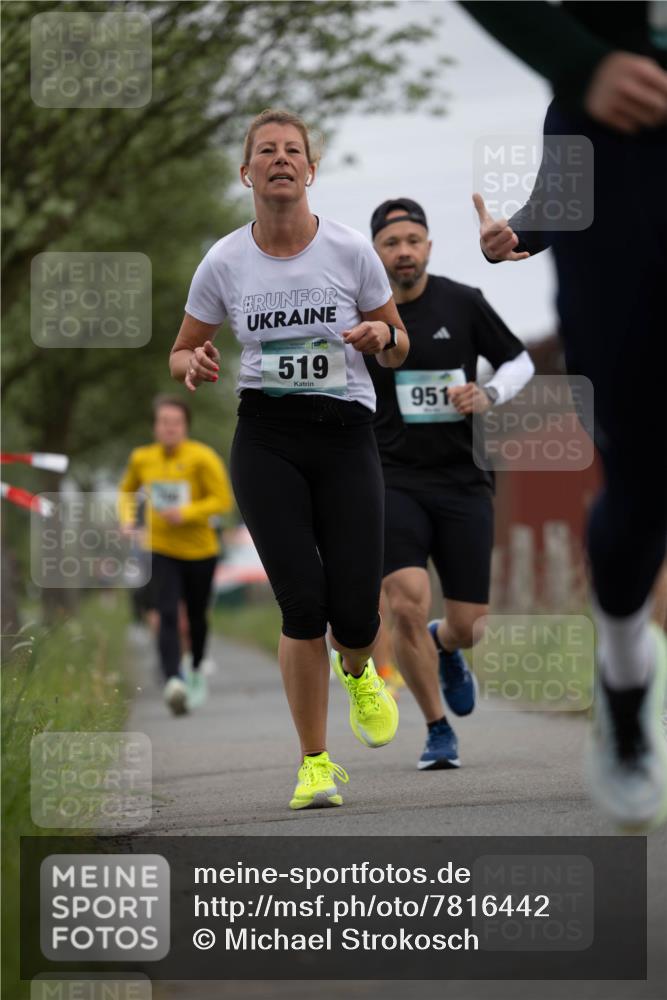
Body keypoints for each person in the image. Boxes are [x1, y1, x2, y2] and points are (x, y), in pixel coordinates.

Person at [463, 1, 667, 829]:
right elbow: (561, 191)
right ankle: (624, 682)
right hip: (618, 137)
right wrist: (579, 63)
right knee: (644, 476)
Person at [169, 108, 409, 810]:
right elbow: (183, 344)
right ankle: (313, 762)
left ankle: (360, 669)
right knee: (301, 603)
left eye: (291, 150)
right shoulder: (223, 261)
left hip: (344, 435)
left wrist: (376, 334)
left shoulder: (346, 251)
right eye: (265, 151)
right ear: (245, 172)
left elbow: (399, 342)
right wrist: (192, 360)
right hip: (266, 438)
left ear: (310, 169)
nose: (279, 159)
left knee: (354, 610)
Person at [366, 198, 534, 770]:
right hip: (394, 479)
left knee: (469, 626)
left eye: (413, 240)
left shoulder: (463, 302)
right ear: (377, 254)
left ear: (429, 246)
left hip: (463, 479)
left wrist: (487, 393)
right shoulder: (366, 320)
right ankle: (437, 729)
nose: (404, 251)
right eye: (392, 243)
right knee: (405, 605)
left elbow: (520, 361)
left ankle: (446, 645)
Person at [119, 395, 233, 714]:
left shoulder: (202, 457)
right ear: (155, 426)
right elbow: (127, 490)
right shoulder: (142, 458)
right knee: (166, 612)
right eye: (163, 422)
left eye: (175, 423)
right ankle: (173, 680)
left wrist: (187, 512)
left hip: (200, 550)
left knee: (196, 616)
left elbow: (221, 500)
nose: (169, 428)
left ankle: (195, 667)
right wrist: (130, 519)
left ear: (185, 426)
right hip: (161, 548)